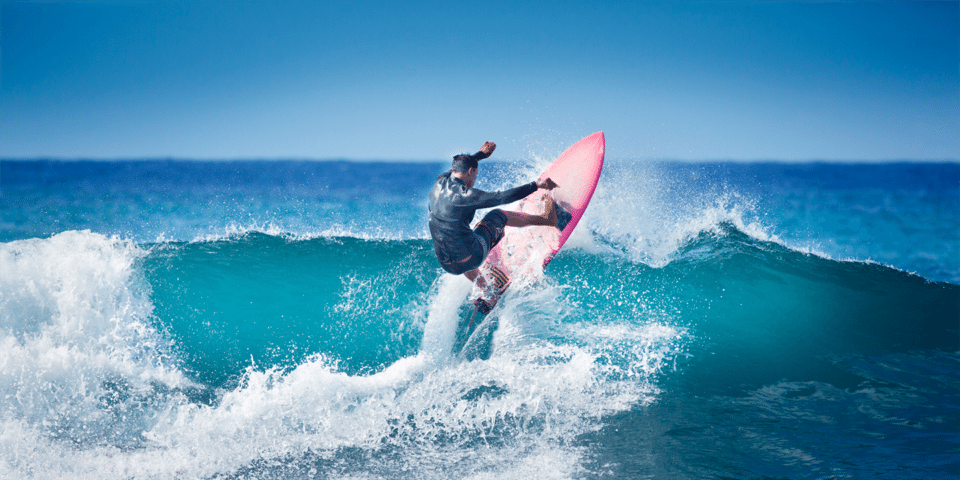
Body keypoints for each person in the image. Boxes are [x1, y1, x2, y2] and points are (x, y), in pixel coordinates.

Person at [428, 141, 558, 289]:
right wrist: (536, 185)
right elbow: (501, 197)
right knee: (497, 215)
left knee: (457, 237)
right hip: (472, 258)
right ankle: (547, 219)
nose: (474, 180)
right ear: (471, 171)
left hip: (447, 265)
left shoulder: (440, 182)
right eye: (475, 175)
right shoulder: (465, 195)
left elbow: (462, 167)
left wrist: (480, 155)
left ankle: (487, 289)